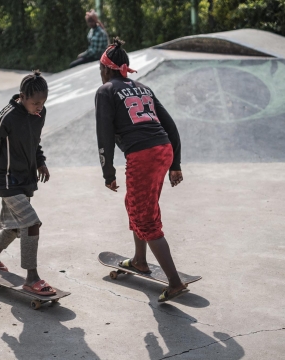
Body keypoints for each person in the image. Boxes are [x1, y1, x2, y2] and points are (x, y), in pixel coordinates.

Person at [95, 38, 188, 302]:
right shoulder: (143, 88)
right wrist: (176, 163)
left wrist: (108, 173)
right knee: (135, 203)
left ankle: (175, 283)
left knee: (146, 217)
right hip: (163, 150)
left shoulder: (106, 91)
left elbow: (103, 134)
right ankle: (139, 260)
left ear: (106, 69)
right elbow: (170, 126)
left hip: (143, 155)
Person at [0, 70, 56, 296]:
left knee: (16, 225)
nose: (39, 107)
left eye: (43, 102)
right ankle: (32, 278)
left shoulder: (40, 113)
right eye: (34, 102)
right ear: (22, 96)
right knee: (31, 224)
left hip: (25, 179)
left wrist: (40, 162)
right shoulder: (6, 117)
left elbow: (35, 141)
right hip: (6, 180)